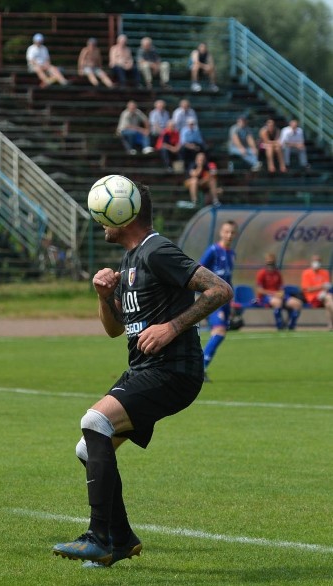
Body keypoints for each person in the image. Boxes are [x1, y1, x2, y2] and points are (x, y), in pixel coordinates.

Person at [51, 182, 232, 566]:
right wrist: (104, 296)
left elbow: (219, 289)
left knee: (94, 420)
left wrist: (172, 327)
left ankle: (97, 538)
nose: (99, 221)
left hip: (173, 370)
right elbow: (115, 329)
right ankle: (122, 539)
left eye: (104, 213)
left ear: (123, 213)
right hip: (143, 369)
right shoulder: (131, 258)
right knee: (88, 447)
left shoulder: (157, 250)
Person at [199, 220, 237, 381]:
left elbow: (229, 279)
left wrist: (232, 300)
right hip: (214, 298)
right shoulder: (213, 250)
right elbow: (199, 271)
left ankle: (200, 367)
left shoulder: (232, 254)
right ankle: (200, 369)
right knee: (220, 331)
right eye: (226, 232)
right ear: (221, 233)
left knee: (220, 333)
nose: (229, 235)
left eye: (232, 232)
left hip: (225, 300)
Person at [255, 252, 302, 330]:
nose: (270, 264)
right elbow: (259, 290)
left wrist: (281, 293)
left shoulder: (277, 273)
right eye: (269, 262)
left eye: (272, 262)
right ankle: (280, 326)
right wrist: (273, 293)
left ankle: (291, 326)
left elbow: (281, 288)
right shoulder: (262, 273)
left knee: (297, 304)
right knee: (277, 302)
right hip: (266, 297)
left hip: (279, 295)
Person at [301, 254, 333, 330]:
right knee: (329, 298)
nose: (316, 262)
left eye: (318, 261)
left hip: (324, 296)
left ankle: (330, 325)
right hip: (312, 298)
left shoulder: (325, 272)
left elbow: (327, 286)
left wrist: (324, 290)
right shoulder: (306, 273)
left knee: (328, 303)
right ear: (311, 262)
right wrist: (321, 287)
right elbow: (307, 289)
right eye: (315, 261)